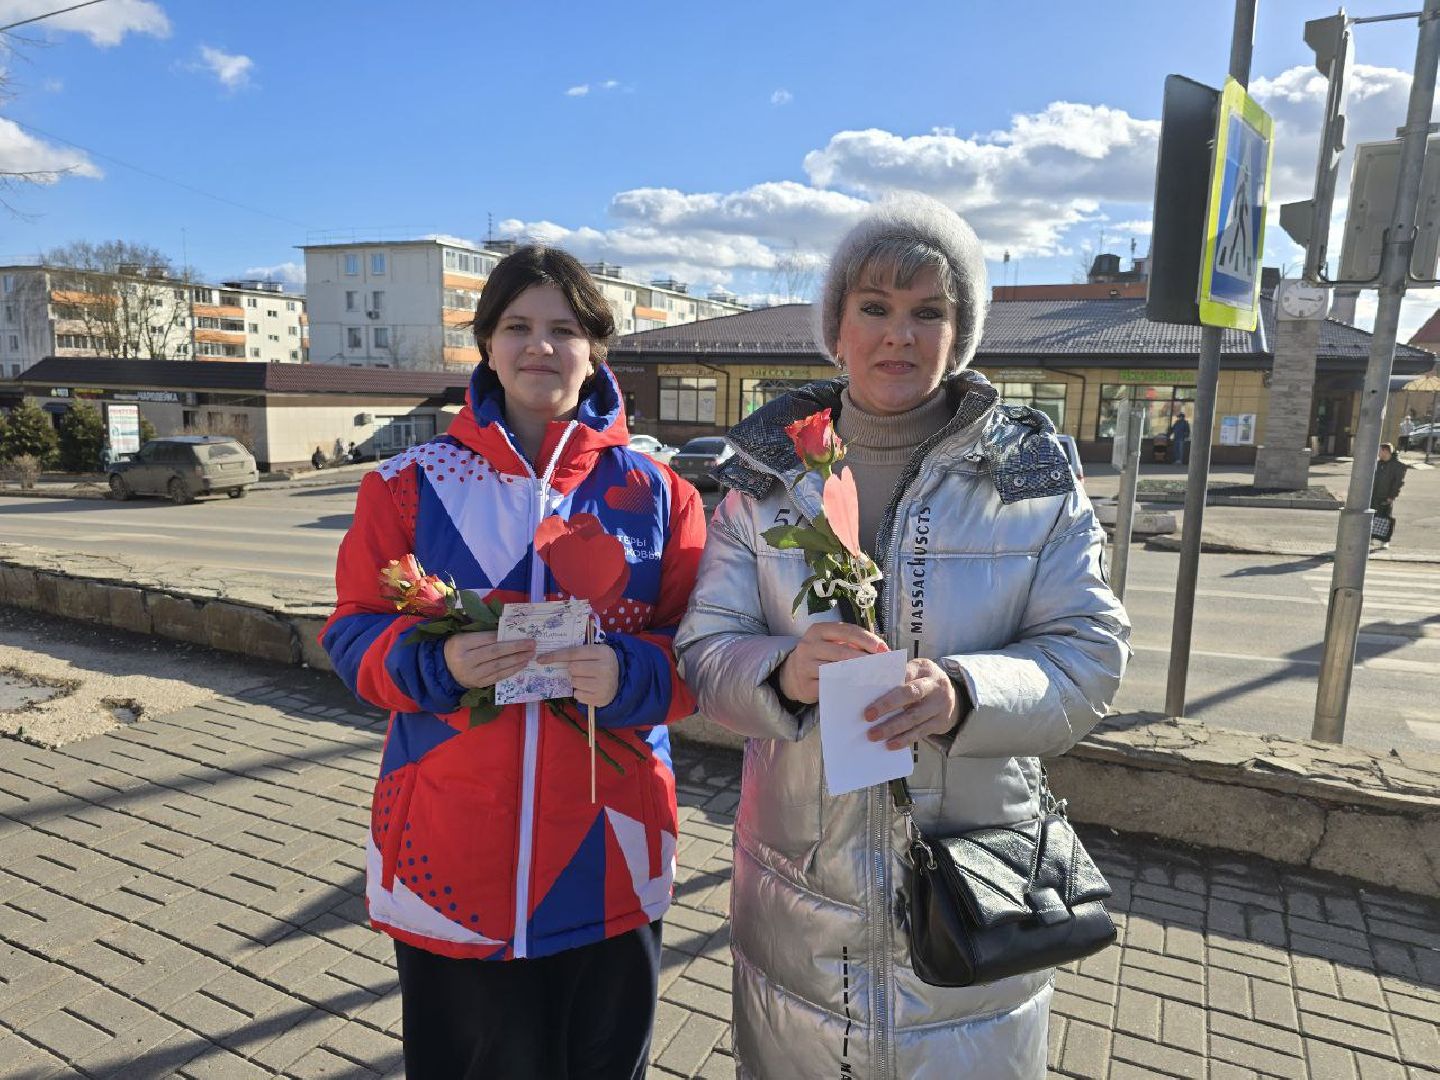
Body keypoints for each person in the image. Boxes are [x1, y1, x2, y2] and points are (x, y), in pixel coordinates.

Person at [675, 194, 1130, 1079]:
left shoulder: (1029, 476)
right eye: (874, 309)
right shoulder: (766, 479)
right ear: (836, 327)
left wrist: (964, 692)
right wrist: (782, 672)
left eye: (930, 312)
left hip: (976, 887)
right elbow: (705, 651)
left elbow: (1091, 656)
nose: (900, 335)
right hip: (802, 900)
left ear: (958, 335)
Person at [323, 245, 706, 1079]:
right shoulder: (407, 484)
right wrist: (443, 664)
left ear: (596, 347)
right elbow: (351, 636)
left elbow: (700, 653)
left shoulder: (661, 494)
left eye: (564, 329)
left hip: (612, 851)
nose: (541, 347)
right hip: (451, 861)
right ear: (487, 344)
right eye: (518, 327)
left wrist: (631, 675)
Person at [1372, 441, 1407, 550]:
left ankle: (1385, 541)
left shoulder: (1398, 466)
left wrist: (1391, 496)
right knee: (1372, 517)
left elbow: (1398, 483)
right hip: (1374, 495)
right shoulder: (1378, 464)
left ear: (1385, 451)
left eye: (1379, 451)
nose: (1378, 453)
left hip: (1386, 496)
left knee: (1386, 519)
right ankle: (1371, 537)